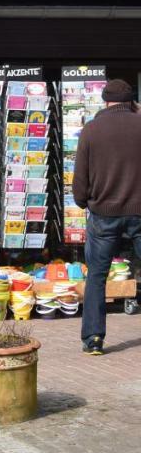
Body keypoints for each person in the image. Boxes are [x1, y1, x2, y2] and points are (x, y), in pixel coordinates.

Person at [73, 79, 141, 356]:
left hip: (103, 213)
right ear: (130, 100)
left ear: (105, 101)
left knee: (97, 277)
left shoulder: (91, 130)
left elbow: (81, 177)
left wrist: (82, 201)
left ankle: (94, 339)